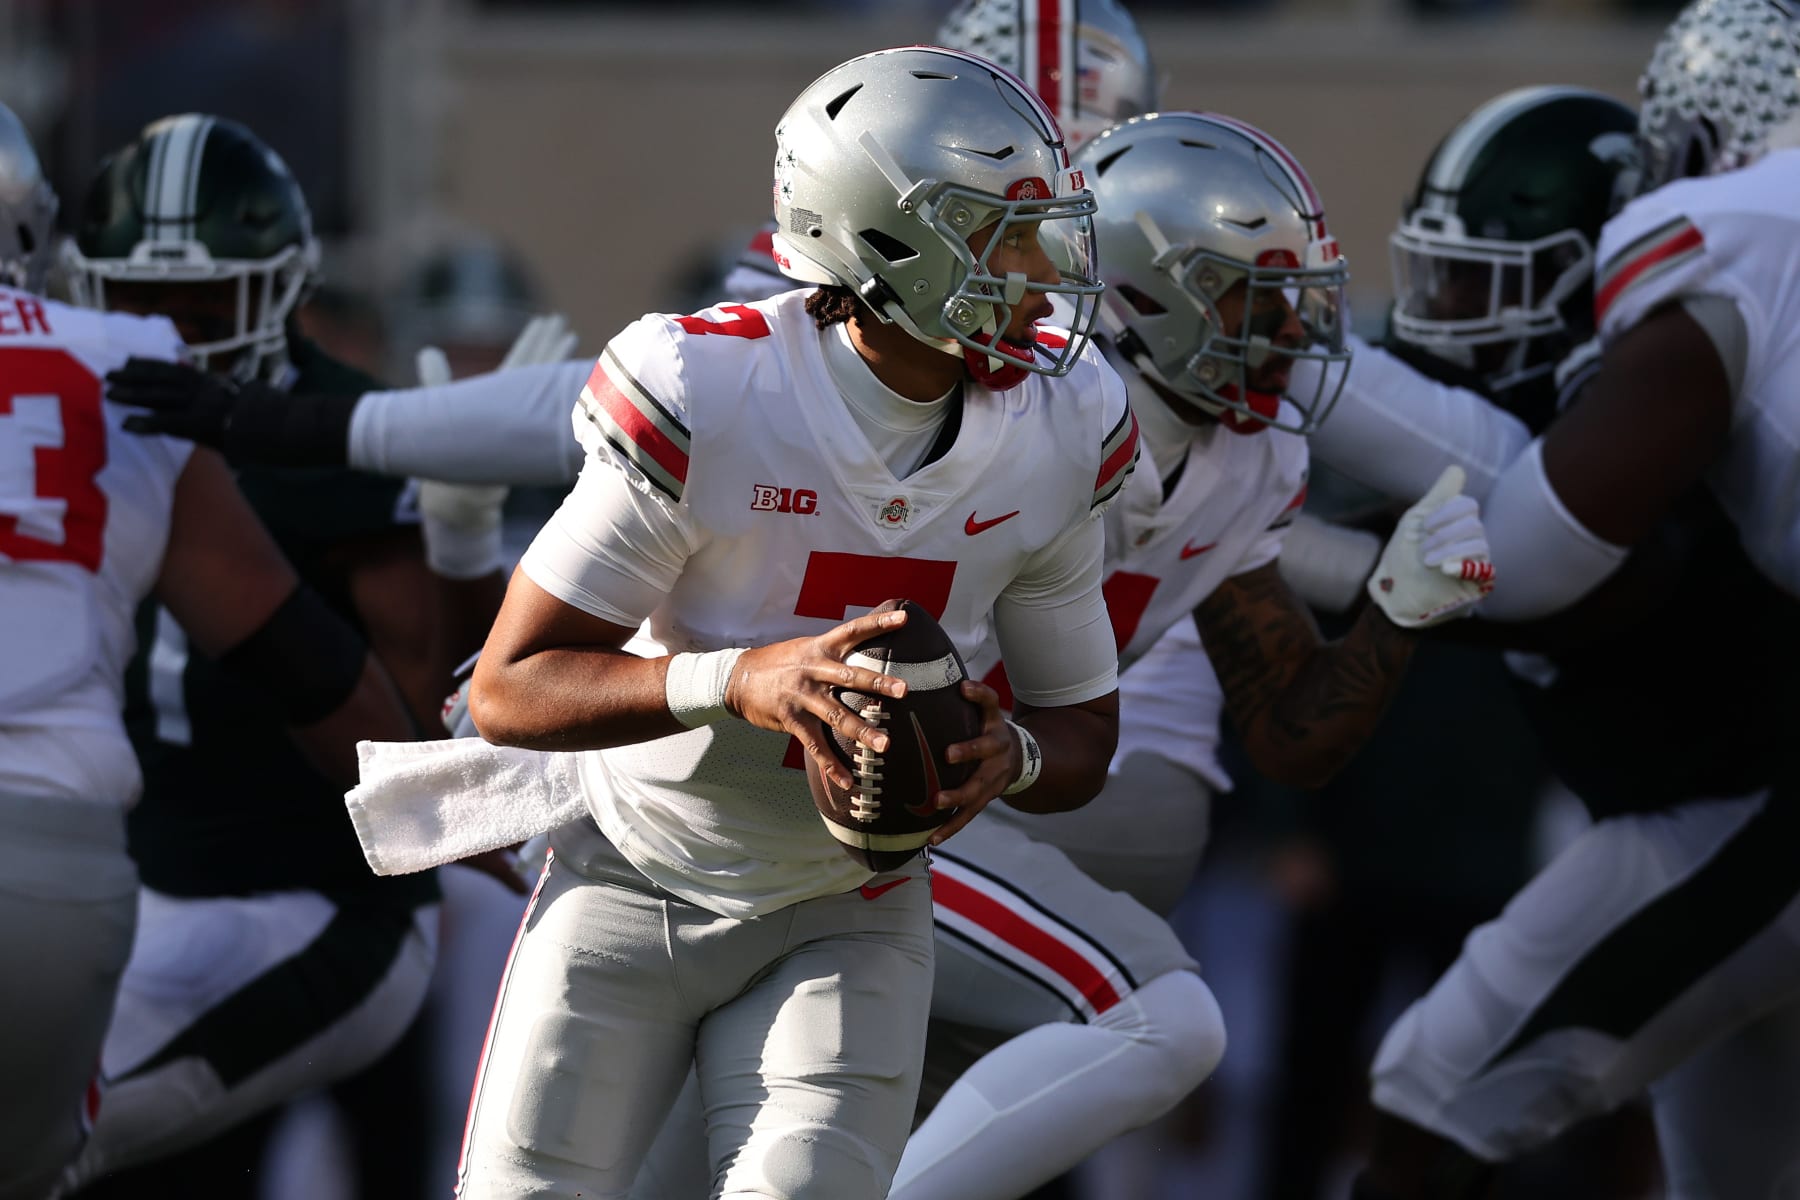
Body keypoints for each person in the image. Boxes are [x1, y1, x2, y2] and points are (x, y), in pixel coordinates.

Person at [456, 45, 1136, 1197]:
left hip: (850, 905)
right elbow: (509, 687)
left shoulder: (1063, 427)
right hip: (634, 876)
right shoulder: (713, 390)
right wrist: (737, 680)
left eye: (1041, 231)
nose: (1040, 273)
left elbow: (1083, 737)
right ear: (884, 239)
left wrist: (1005, 757)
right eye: (1001, 234)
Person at [1241, 8, 1800, 1192]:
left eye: (1477, 280)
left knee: (1431, 1088)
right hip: (1705, 812)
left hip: (1743, 819)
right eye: (1436, 273)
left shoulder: (1679, 380)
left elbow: (1553, 572)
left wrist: (1307, 508)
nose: (1443, 308)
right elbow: (1487, 455)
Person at [52, 113, 489, 1195]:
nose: (167, 338)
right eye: (138, 303)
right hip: (134, 894)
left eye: (203, 308)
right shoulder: (64, 414)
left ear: (281, 291)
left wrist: (462, 552)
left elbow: (433, 729)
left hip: (313, 901)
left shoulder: (342, 433)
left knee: (59, 1139)